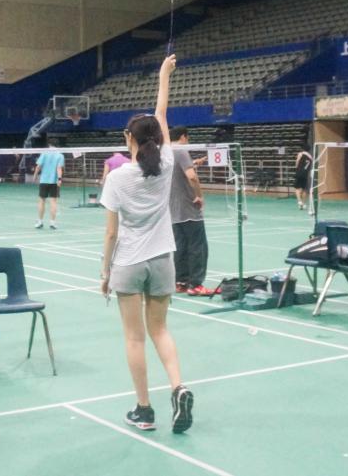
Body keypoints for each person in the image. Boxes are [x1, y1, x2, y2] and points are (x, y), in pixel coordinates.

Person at [101, 55, 194, 434]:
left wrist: (105, 272)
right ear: (157, 140)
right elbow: (162, 117)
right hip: (162, 260)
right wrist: (163, 78)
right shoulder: (168, 163)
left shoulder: (118, 177)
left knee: (134, 337)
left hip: (129, 263)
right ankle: (179, 386)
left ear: (129, 141)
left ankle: (145, 409)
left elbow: (111, 233)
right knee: (161, 330)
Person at [168, 126, 211, 296]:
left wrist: (194, 163)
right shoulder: (181, 151)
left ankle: (181, 282)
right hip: (189, 209)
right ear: (184, 137)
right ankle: (196, 285)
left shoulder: (165, 152)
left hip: (173, 211)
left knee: (180, 247)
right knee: (198, 247)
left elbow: (178, 171)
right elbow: (191, 176)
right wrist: (199, 196)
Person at [32, 141, 65, 230]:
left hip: (44, 181)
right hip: (54, 182)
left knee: (42, 201)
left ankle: (39, 222)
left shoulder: (44, 153)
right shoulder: (60, 155)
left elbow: (38, 166)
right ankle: (52, 223)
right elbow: (59, 168)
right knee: (53, 202)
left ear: (49, 145)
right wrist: (59, 179)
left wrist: (35, 176)